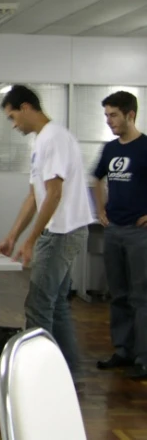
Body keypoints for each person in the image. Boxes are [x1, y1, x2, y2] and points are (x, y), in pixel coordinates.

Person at [0, 85, 91, 375]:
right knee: (56, 304)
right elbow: (33, 196)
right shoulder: (42, 141)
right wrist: (13, 235)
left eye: (13, 117)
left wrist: (31, 240)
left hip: (62, 232)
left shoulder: (55, 138)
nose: (13, 125)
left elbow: (54, 194)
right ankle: (69, 372)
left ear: (26, 107)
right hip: (60, 230)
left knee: (38, 304)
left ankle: (38, 378)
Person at [92, 91, 147, 380]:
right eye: (106, 115)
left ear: (130, 115)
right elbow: (96, 179)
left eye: (113, 115)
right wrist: (101, 209)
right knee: (119, 295)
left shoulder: (145, 147)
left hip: (140, 234)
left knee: (141, 297)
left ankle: (143, 357)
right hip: (114, 231)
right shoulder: (110, 149)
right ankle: (123, 350)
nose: (109, 120)